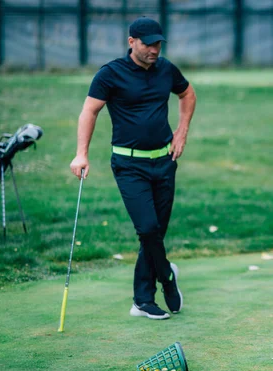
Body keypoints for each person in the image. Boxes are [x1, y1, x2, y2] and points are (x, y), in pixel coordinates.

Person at [70, 17, 196, 320]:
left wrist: (182, 131)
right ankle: (166, 276)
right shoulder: (110, 74)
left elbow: (187, 94)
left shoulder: (166, 69)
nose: (154, 49)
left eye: (158, 43)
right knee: (148, 228)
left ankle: (141, 301)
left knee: (154, 233)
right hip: (129, 164)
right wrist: (81, 154)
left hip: (165, 161)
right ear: (131, 43)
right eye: (148, 43)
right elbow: (89, 110)